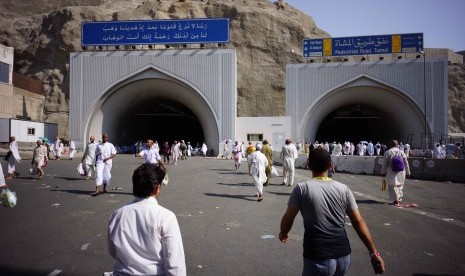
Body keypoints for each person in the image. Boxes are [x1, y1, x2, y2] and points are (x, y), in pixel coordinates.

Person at [279, 147, 385, 275]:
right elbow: (358, 221)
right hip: (342, 256)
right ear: (330, 165)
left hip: (317, 256)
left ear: (309, 165)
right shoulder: (343, 189)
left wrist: (283, 233)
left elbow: (288, 218)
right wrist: (374, 253)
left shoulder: (302, 188)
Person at [108, 163, 186, 275]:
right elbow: (175, 264)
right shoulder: (166, 217)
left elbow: (113, 251)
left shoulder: (117, 214)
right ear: (157, 189)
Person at [381, 140, 411, 205]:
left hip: (391, 171)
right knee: (400, 185)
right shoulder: (401, 152)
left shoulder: (388, 152)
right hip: (401, 171)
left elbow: (385, 164)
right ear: (397, 145)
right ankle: (399, 199)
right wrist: (408, 172)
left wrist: (383, 172)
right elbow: (406, 163)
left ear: (391, 145)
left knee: (392, 185)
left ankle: (395, 200)